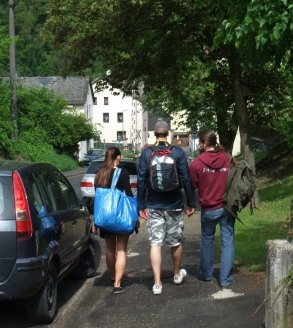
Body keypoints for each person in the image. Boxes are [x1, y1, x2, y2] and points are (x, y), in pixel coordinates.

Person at [137, 120, 196, 295]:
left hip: (154, 204)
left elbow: (141, 181)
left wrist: (141, 205)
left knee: (155, 243)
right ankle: (177, 274)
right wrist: (191, 202)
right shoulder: (177, 152)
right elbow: (186, 179)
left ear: (154, 134)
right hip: (175, 204)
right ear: (168, 134)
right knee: (175, 241)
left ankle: (157, 284)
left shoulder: (146, 153)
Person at [189, 129, 234, 287]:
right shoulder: (228, 159)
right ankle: (225, 278)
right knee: (227, 241)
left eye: (200, 142)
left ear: (204, 143)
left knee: (207, 241)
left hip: (208, 208)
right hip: (227, 207)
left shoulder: (197, 163)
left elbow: (192, 184)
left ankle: (207, 274)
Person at [93, 147, 139, 294]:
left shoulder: (99, 174)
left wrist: (94, 220)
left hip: (105, 216)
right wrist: (135, 215)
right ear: (118, 157)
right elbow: (129, 194)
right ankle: (118, 284)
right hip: (120, 217)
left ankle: (113, 276)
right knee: (121, 250)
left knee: (110, 249)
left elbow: (98, 199)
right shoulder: (123, 173)